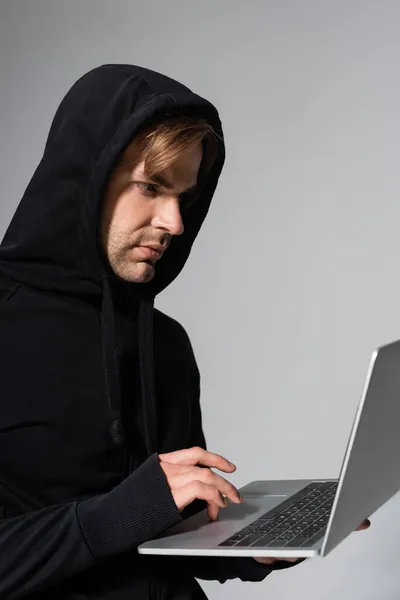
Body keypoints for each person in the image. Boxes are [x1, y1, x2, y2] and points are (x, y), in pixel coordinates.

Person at [0, 64, 370, 600]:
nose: (174, 221)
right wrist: (114, 515)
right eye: (150, 186)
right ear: (86, 175)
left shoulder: (163, 340)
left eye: (183, 197)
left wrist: (245, 545)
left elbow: (162, 533)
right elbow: (116, 522)